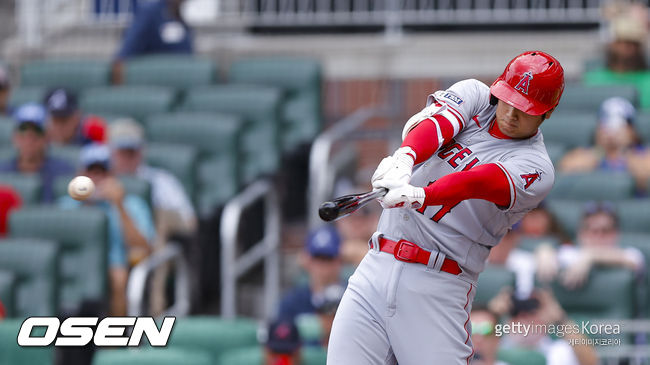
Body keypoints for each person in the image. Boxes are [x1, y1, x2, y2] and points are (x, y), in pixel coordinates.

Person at [327, 51, 565, 364]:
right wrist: (404, 157)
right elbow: (437, 124)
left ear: (546, 113)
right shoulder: (477, 96)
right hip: (375, 267)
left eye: (524, 108)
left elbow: (476, 182)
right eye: (508, 99)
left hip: (438, 283)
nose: (510, 113)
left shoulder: (537, 167)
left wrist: (419, 196)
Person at [58, 144, 154, 316]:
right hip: (73, 265)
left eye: (102, 172)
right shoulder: (65, 205)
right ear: (80, 175)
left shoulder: (131, 204)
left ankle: (115, 340)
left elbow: (143, 247)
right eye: (91, 171)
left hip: (111, 265)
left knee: (118, 277)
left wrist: (119, 205)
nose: (96, 178)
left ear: (112, 175)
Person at [109, 118, 196, 235]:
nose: (126, 159)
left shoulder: (161, 181)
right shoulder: (101, 178)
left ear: (141, 152)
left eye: (131, 152)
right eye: (121, 153)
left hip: (154, 246)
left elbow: (190, 222)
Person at [536, 202, 645, 289]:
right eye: (592, 230)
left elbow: (633, 260)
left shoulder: (630, 253)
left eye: (605, 231)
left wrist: (591, 256)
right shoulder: (569, 253)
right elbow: (549, 253)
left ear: (616, 234)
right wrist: (544, 250)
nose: (598, 236)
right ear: (580, 234)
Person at [559, 97, 650, 193]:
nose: (612, 130)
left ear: (632, 130)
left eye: (620, 125)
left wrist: (625, 150)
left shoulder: (644, 154)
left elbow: (645, 175)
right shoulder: (586, 153)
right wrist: (601, 151)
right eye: (605, 124)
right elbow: (564, 170)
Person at [489, 288, 598, 365]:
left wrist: (560, 319)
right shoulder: (493, 346)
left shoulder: (559, 350)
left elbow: (590, 362)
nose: (524, 318)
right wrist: (492, 315)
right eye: (515, 313)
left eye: (532, 312)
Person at [0, 103, 75, 203]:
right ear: (15, 137)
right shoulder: (2, 173)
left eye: (36, 133)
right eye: (23, 133)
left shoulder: (63, 171)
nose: (29, 140)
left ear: (46, 137)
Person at [112, 0, 192, 83]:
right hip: (153, 88)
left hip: (179, 87)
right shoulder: (149, 13)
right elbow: (120, 61)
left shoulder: (182, 19)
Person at [277, 225, 345, 320]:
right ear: (307, 260)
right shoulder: (293, 302)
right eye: (318, 258)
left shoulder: (351, 295)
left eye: (328, 258)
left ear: (339, 260)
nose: (323, 265)